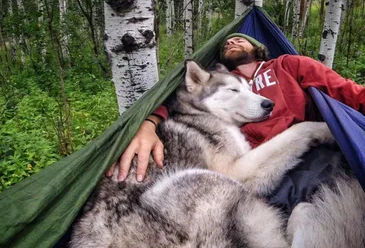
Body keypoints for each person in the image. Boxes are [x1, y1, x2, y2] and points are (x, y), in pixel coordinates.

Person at [107, 34, 365, 202]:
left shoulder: (288, 65)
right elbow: (182, 100)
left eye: (241, 39)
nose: (232, 42)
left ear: (258, 47)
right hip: (249, 171)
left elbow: (348, 93)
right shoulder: (220, 84)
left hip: (306, 160)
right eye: (227, 42)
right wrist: (149, 122)